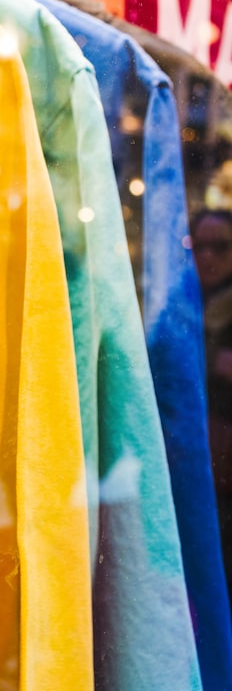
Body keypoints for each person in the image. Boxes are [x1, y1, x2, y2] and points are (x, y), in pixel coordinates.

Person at [193, 209, 232, 589]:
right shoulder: (185, 304)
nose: (208, 256)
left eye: (220, 247)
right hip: (198, 468)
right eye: (198, 245)